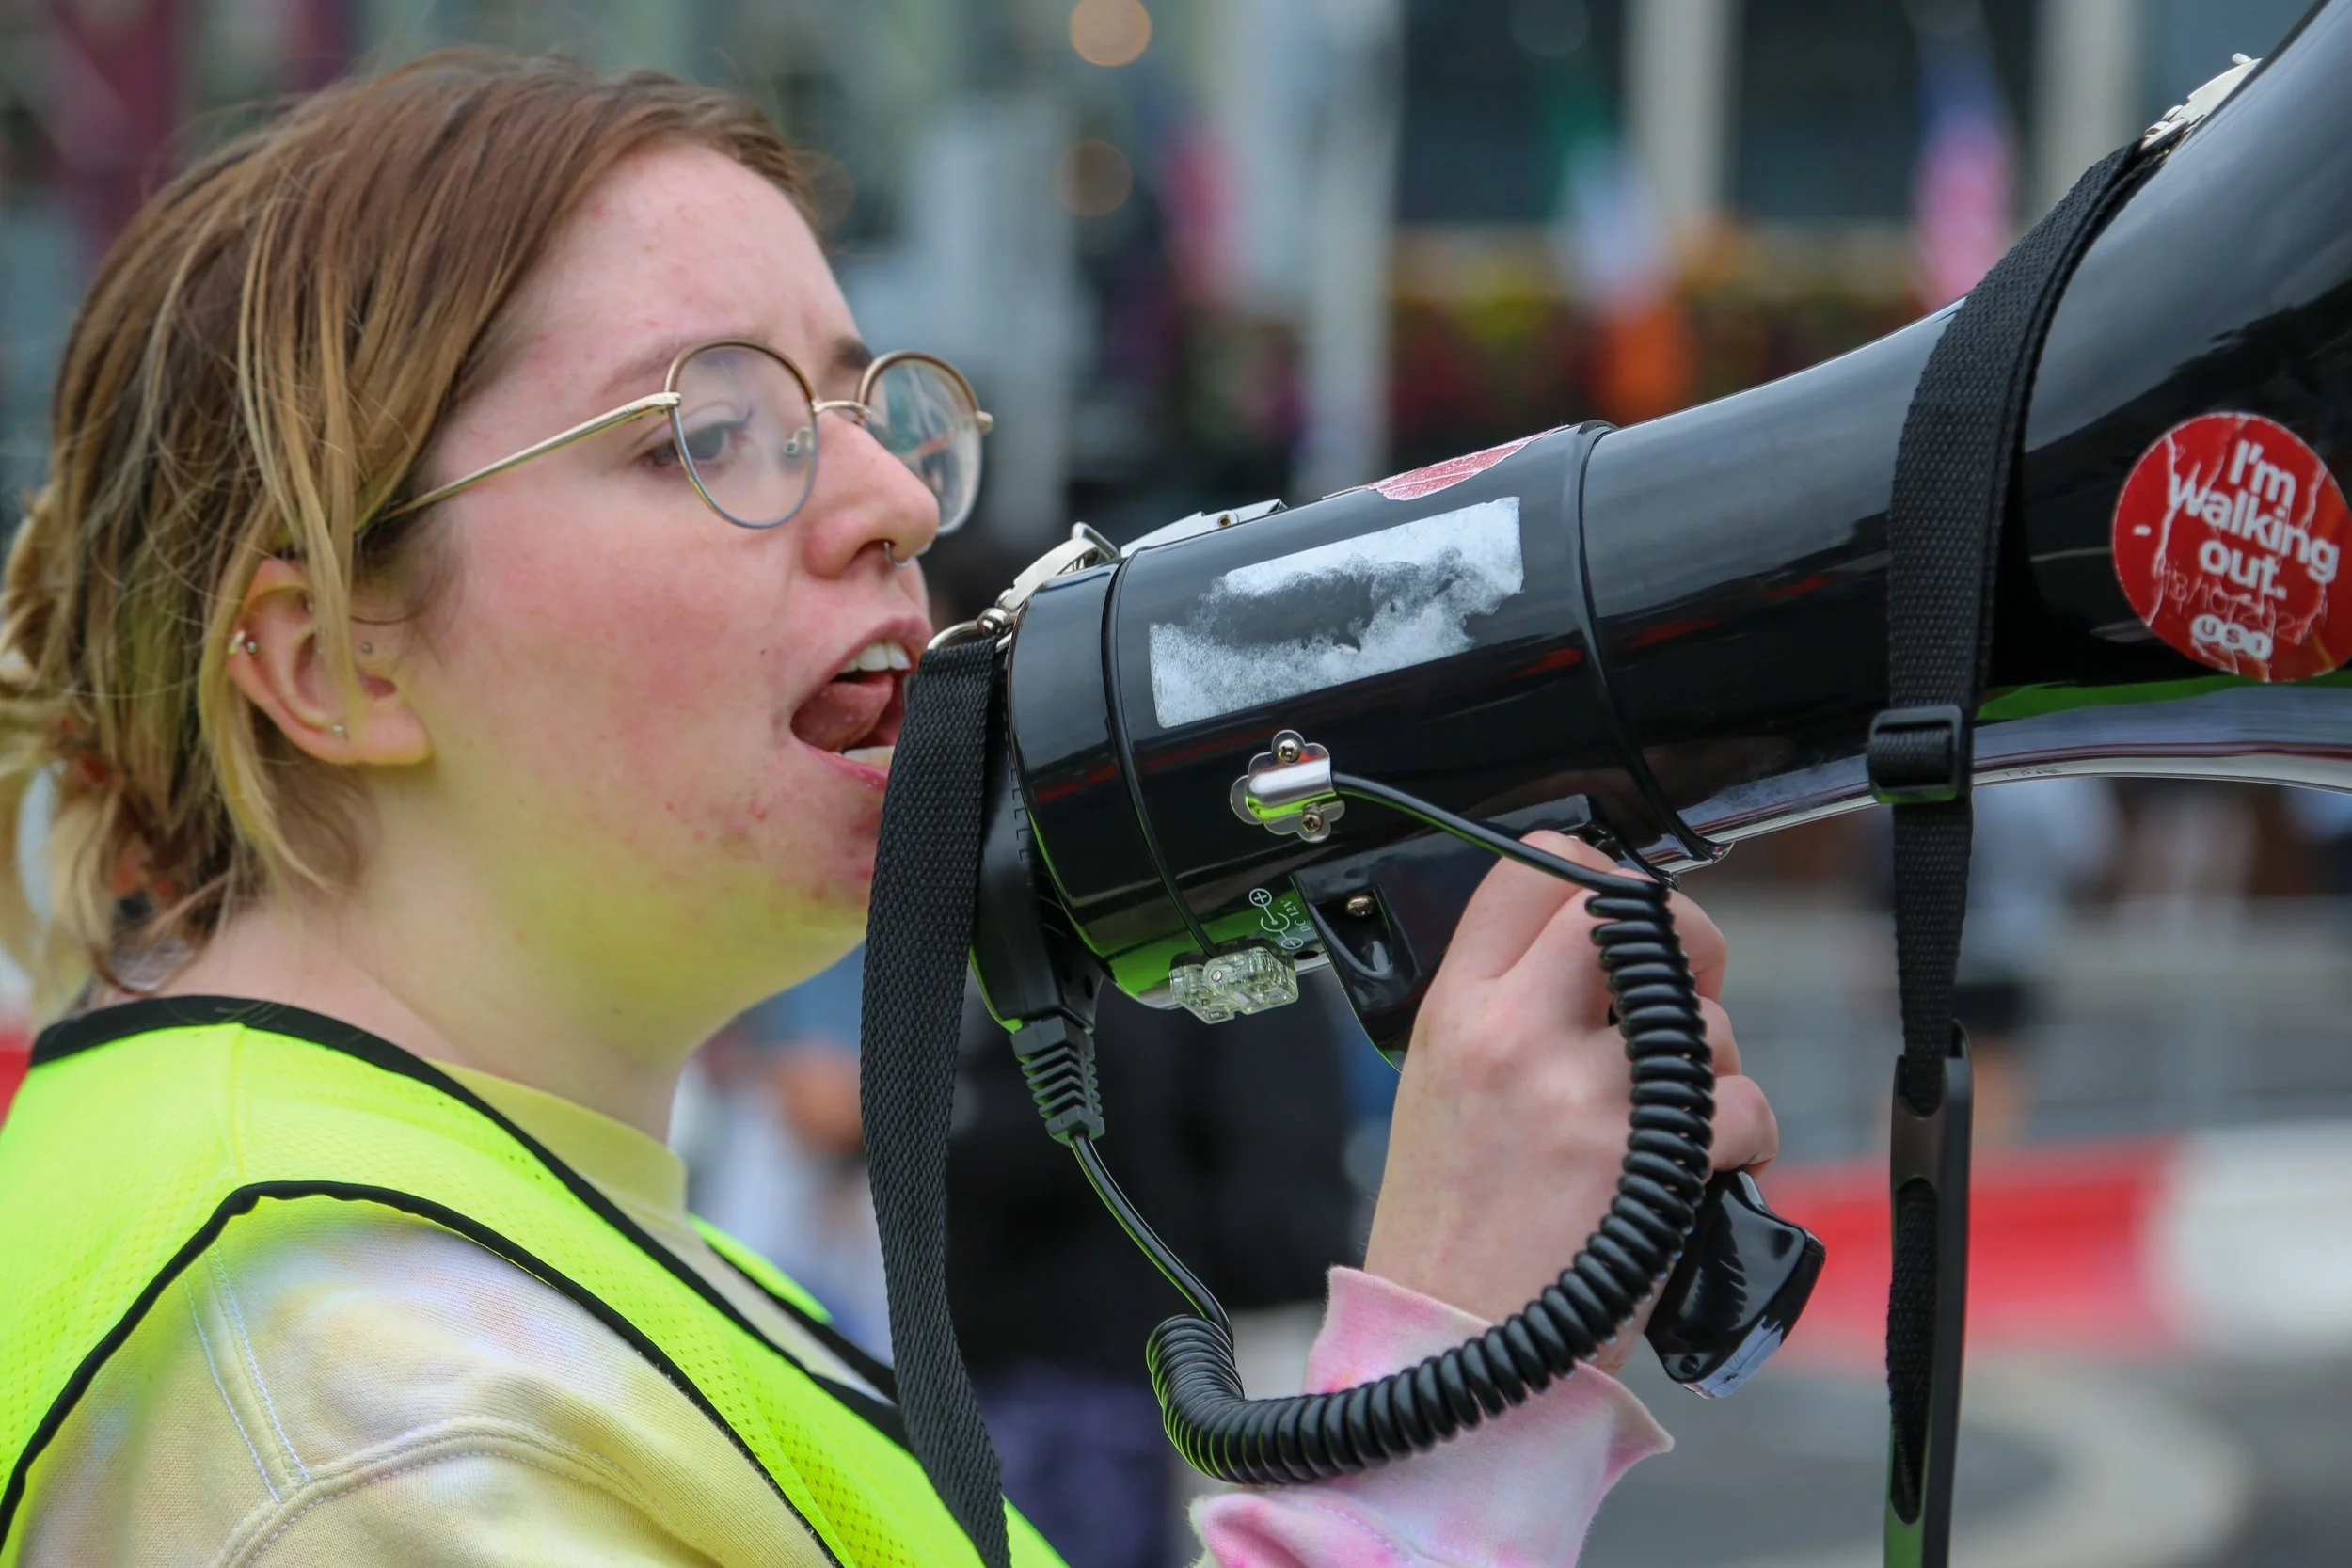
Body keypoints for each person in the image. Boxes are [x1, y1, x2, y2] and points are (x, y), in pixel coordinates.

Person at [0, 54, 1778, 1566]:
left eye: (868, 408)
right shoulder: (349, 1394)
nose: (891, 505)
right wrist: (1455, 1392)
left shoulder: (428, 1233)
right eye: (710, 431)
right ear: (337, 668)